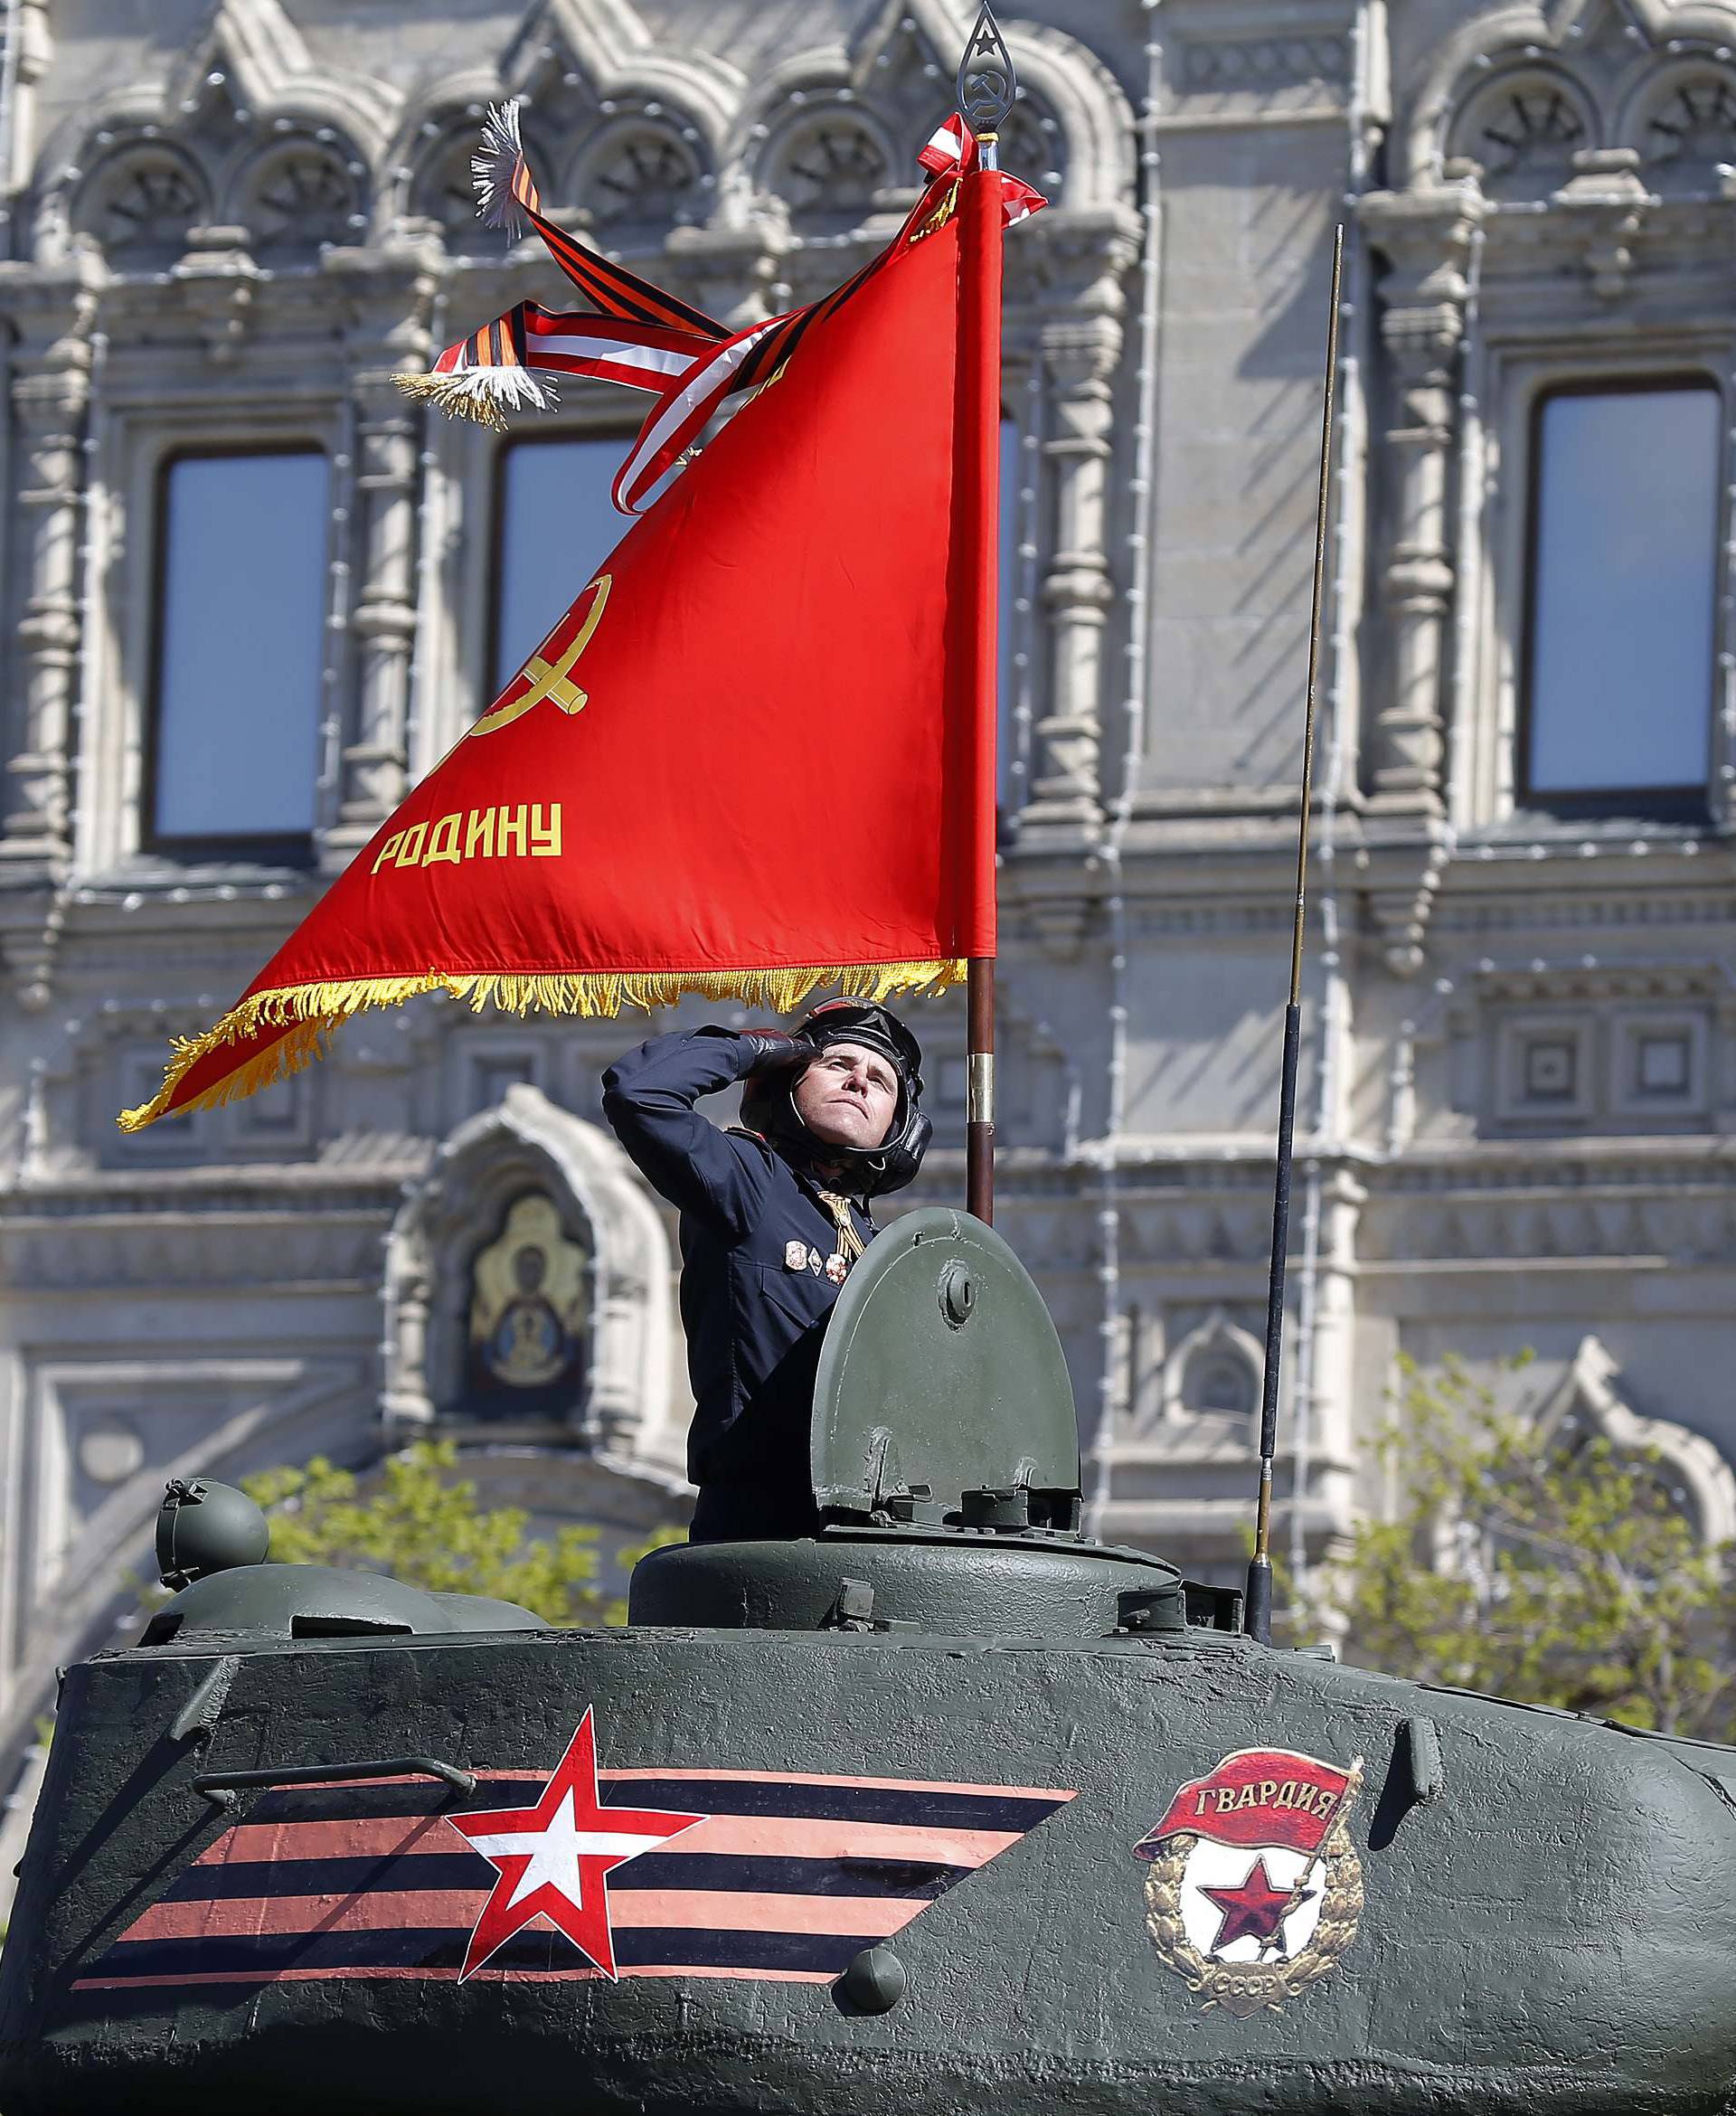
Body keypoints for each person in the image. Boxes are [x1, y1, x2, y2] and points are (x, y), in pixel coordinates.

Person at [601, 999, 929, 1541]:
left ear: (900, 1125)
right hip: (758, 1518)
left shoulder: (881, 1245)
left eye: (881, 1080)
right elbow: (641, 1093)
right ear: (787, 1081)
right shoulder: (749, 1181)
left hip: (866, 1524)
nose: (859, 1083)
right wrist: (754, 1050)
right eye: (837, 1065)